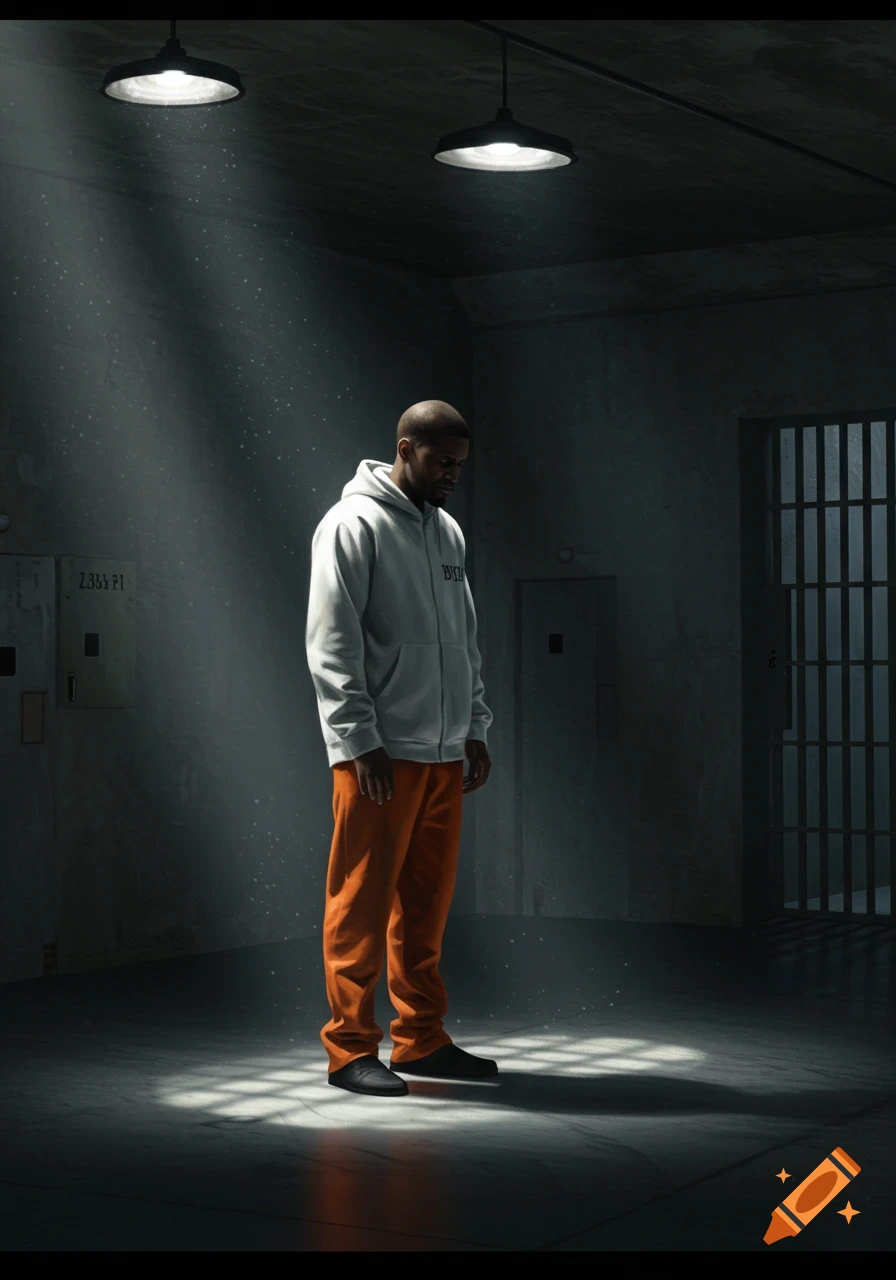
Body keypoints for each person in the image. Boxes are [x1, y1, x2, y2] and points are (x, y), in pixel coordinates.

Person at [305, 400, 496, 1097]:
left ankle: (420, 1039)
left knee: (425, 906)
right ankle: (349, 1048)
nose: (452, 476)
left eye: (460, 465)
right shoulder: (350, 525)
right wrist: (359, 740)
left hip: (444, 753)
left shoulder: (447, 532)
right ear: (406, 448)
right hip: (380, 757)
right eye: (442, 462)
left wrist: (475, 726)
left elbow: (465, 641)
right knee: (360, 900)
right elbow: (331, 642)